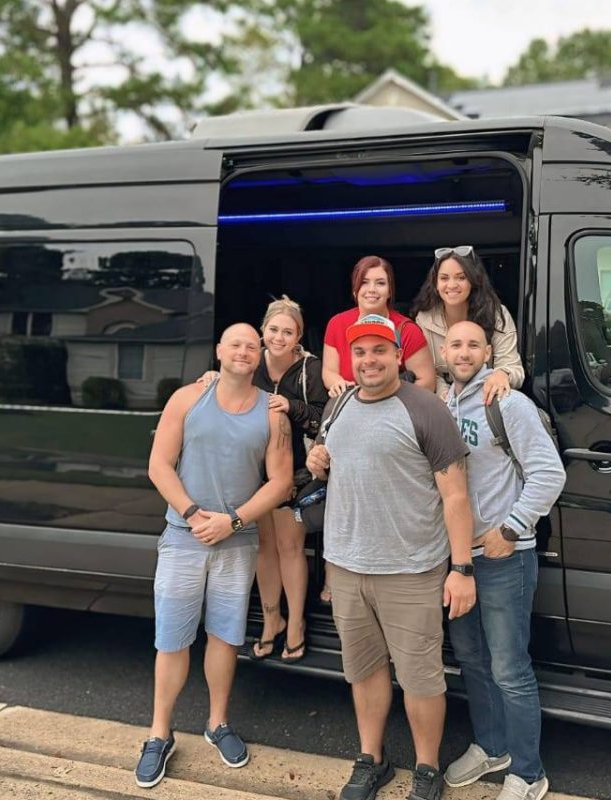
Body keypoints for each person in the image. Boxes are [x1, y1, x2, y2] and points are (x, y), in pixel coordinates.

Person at [307, 313, 476, 800]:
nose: (368, 360)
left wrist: (461, 569)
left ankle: (427, 769)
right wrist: (314, 460)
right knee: (363, 669)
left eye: (379, 350)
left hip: (411, 569)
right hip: (346, 565)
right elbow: (324, 461)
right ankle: (372, 759)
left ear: (399, 356)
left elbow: (456, 497)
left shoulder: (426, 409)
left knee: (421, 677)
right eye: (359, 352)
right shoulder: (337, 407)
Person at [138, 323, 293, 789]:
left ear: (259, 354)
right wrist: (192, 512)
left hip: (237, 541)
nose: (245, 351)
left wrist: (234, 522)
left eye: (253, 345)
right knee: (172, 639)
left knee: (225, 637)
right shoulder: (187, 399)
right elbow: (158, 465)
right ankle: (158, 733)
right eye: (237, 344)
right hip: (184, 537)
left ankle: (217, 723)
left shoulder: (273, 413)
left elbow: (281, 482)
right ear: (220, 351)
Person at [439, 321, 565, 800]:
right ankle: (492, 747)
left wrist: (511, 527)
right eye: (456, 344)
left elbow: (548, 474)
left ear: (489, 352)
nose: (464, 351)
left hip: (503, 557)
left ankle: (529, 773)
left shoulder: (507, 404)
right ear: (444, 352)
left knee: (509, 668)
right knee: (471, 658)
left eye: (474, 344)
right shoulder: (442, 405)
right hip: (458, 561)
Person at [198, 296, 328, 662]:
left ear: (299, 335)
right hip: (252, 470)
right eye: (273, 330)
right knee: (263, 547)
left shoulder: (310, 370)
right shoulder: (250, 361)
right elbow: (225, 389)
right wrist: (212, 376)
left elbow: (325, 417)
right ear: (263, 331)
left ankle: (298, 623)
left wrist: (292, 406)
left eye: (288, 331)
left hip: (296, 472)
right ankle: (273, 620)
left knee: (290, 547)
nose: (279, 337)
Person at [410, 246, 524, 403]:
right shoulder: (424, 319)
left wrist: (501, 375)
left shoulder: (496, 314)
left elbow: (513, 367)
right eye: (444, 278)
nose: (451, 285)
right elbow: (430, 373)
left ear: (473, 280)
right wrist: (446, 395)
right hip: (446, 402)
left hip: (485, 399)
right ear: (435, 284)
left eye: (461, 278)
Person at [322, 255, 436, 397]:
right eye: (364, 282)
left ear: (389, 291)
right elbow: (329, 371)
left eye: (380, 283)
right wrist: (338, 383)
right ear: (354, 290)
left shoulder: (407, 330)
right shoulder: (337, 324)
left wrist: (388, 404)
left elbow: (427, 382)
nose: (372, 289)